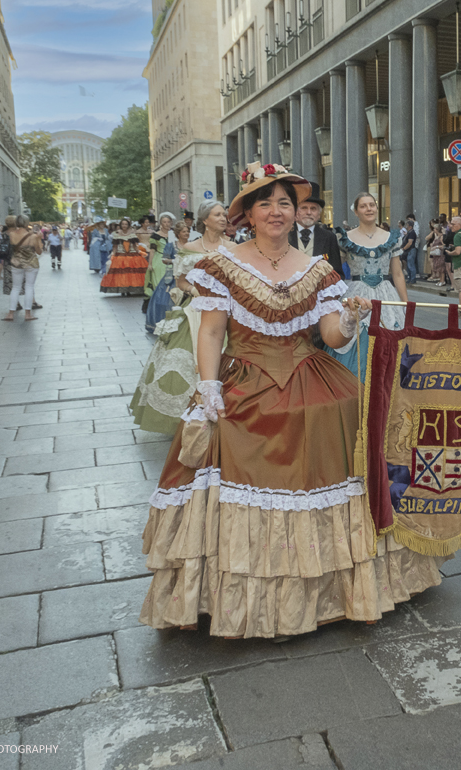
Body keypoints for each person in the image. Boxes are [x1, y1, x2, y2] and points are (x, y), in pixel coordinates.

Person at [138, 166, 445, 639]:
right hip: (245, 374)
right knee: (239, 428)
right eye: (265, 204)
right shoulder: (222, 266)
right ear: (249, 214)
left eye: (284, 203)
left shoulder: (317, 270)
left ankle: (333, 586)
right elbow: (212, 331)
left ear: (295, 211)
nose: (276, 212)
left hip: (307, 369)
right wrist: (208, 386)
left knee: (345, 407)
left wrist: (349, 316)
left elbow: (330, 338)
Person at [130, 202, 226, 433]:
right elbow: (181, 280)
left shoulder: (235, 248)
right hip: (195, 310)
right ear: (205, 220)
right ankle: (187, 416)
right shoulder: (190, 247)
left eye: (225, 214)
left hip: (227, 311)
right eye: (218, 214)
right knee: (185, 359)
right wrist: (195, 292)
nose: (224, 218)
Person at [327, 191, 408, 374]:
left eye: (371, 205)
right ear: (356, 211)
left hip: (386, 294)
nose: (368, 209)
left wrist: (405, 303)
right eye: (363, 206)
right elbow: (335, 272)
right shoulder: (345, 238)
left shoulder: (391, 237)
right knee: (353, 334)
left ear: (377, 208)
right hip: (355, 292)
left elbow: (397, 274)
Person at [287, 182, 344, 274]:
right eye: (304, 208)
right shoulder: (284, 235)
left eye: (313, 209)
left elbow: (337, 273)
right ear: (295, 211)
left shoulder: (329, 237)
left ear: (319, 214)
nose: (309, 212)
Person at [3, 215, 43, 322]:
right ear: (27, 223)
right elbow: (39, 251)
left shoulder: (11, 234)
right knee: (29, 287)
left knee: (15, 287)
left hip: (16, 263)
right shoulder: (32, 236)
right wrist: (39, 239)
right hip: (31, 264)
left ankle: (10, 313)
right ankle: (28, 313)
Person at [145, 222, 181, 335]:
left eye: (188, 231)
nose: (186, 233)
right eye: (184, 231)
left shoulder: (191, 244)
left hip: (185, 274)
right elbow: (153, 250)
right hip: (166, 267)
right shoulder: (162, 239)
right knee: (164, 296)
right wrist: (150, 264)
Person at [100, 219, 148, 295]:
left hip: (133, 255)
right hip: (120, 255)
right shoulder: (116, 235)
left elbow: (135, 246)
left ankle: (129, 289)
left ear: (128, 225)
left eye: (126, 224)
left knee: (131, 274)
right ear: (120, 225)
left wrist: (140, 252)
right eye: (123, 224)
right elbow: (115, 247)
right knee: (122, 274)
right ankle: (123, 289)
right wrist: (113, 255)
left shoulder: (132, 235)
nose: (124, 226)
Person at [145, 213, 176, 302]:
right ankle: (159, 300)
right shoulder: (156, 236)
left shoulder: (174, 234)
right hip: (159, 259)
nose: (166, 224)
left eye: (168, 222)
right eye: (164, 222)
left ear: (171, 223)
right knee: (159, 280)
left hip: (172, 258)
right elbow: (152, 250)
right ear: (161, 223)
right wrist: (150, 264)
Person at [401, 214, 419, 284]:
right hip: (409, 250)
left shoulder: (412, 233)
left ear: (410, 226)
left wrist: (403, 248)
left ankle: (413, 278)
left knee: (411, 264)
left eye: (407, 225)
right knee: (409, 264)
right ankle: (410, 278)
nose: (406, 226)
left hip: (411, 250)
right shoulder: (409, 232)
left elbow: (410, 243)